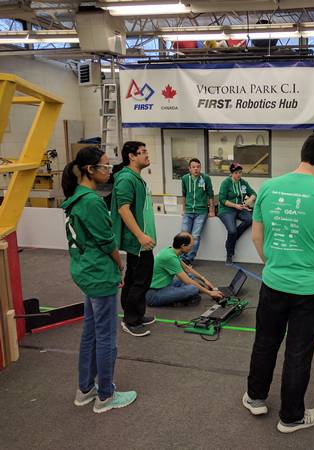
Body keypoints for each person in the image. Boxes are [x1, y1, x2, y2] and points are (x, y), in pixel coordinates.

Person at [243, 134, 314, 433]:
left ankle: (255, 398)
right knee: (298, 351)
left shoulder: (269, 187)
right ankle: (291, 417)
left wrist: (273, 264)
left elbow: (256, 237)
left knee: (265, 342)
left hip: (274, 281)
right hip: (312, 288)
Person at [61, 146, 137, 414]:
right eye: (104, 166)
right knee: (106, 337)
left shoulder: (74, 198)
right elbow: (107, 241)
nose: (109, 170)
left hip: (84, 270)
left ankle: (85, 390)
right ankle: (105, 395)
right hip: (98, 273)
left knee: (91, 333)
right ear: (89, 170)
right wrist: (119, 265)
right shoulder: (91, 201)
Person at [111, 141, 156, 337]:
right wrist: (140, 236)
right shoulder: (126, 179)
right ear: (131, 156)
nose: (147, 155)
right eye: (143, 152)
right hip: (138, 242)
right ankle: (131, 320)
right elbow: (123, 209)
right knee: (141, 280)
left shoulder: (135, 178)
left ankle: (136, 314)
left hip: (141, 241)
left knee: (134, 278)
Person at [146, 232, 224, 307]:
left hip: (165, 285)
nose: (191, 249)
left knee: (191, 278)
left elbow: (187, 269)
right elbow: (187, 281)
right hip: (153, 295)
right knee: (193, 288)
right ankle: (184, 296)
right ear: (183, 246)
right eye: (190, 246)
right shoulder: (170, 257)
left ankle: (186, 293)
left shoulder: (171, 251)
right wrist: (210, 293)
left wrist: (204, 280)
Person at [218, 162, 256, 265]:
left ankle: (233, 238)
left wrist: (249, 201)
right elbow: (221, 199)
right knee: (232, 231)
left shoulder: (243, 182)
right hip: (226, 210)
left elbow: (253, 193)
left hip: (240, 208)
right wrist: (235, 205)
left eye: (240, 172)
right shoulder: (226, 183)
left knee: (250, 219)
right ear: (231, 173)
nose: (238, 175)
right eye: (236, 173)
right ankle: (229, 255)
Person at [180, 158, 215, 265]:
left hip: (201, 211)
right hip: (189, 211)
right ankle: (181, 258)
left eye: (198, 167)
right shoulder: (185, 178)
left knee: (195, 236)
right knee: (184, 235)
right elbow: (184, 194)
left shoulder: (206, 178)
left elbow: (210, 195)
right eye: (194, 167)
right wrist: (184, 209)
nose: (196, 169)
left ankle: (188, 260)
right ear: (189, 169)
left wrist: (211, 210)